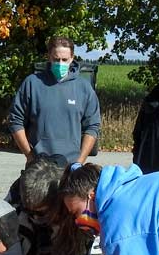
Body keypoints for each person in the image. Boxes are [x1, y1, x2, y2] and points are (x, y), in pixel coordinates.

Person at [8, 35, 101, 165]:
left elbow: (92, 126)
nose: (60, 64)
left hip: (71, 166)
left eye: (65, 59)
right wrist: (29, 156)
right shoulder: (32, 83)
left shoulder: (84, 88)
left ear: (72, 58)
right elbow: (15, 120)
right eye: (56, 59)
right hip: (38, 165)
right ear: (49, 57)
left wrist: (80, 161)